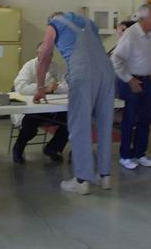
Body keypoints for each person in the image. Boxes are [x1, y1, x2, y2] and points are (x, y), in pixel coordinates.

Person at [34, 11, 114, 195]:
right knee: (104, 124)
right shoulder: (87, 22)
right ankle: (105, 177)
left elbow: (45, 56)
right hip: (107, 72)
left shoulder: (53, 24)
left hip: (84, 74)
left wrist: (40, 87)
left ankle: (82, 180)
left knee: (80, 126)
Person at [112, 5, 151, 170]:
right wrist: (130, 80)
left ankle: (140, 153)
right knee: (129, 120)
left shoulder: (150, 35)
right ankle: (125, 156)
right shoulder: (130, 35)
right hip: (129, 81)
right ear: (143, 19)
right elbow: (116, 59)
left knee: (145, 119)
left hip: (145, 81)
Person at [12, 42, 69, 163]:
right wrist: (43, 88)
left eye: (50, 55)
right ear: (37, 54)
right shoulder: (29, 66)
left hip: (50, 107)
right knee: (29, 124)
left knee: (70, 120)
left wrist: (55, 88)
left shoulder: (54, 67)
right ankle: (18, 148)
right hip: (33, 108)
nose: (47, 58)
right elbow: (20, 86)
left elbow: (66, 85)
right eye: (44, 55)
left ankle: (53, 148)